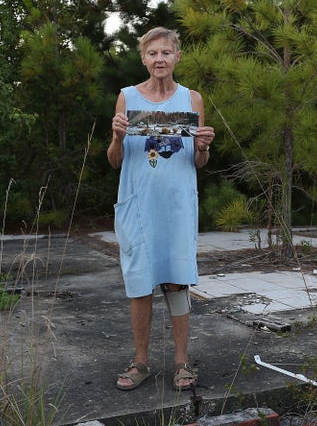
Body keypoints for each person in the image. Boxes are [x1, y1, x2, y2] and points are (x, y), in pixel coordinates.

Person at [107, 26, 214, 391]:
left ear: (177, 57)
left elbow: (199, 162)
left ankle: (182, 363)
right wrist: (118, 137)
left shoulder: (192, 99)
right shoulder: (127, 98)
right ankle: (141, 362)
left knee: (177, 281)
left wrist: (203, 146)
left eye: (166, 53)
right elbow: (114, 160)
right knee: (140, 284)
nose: (159, 60)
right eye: (153, 53)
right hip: (139, 207)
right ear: (143, 58)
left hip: (177, 207)